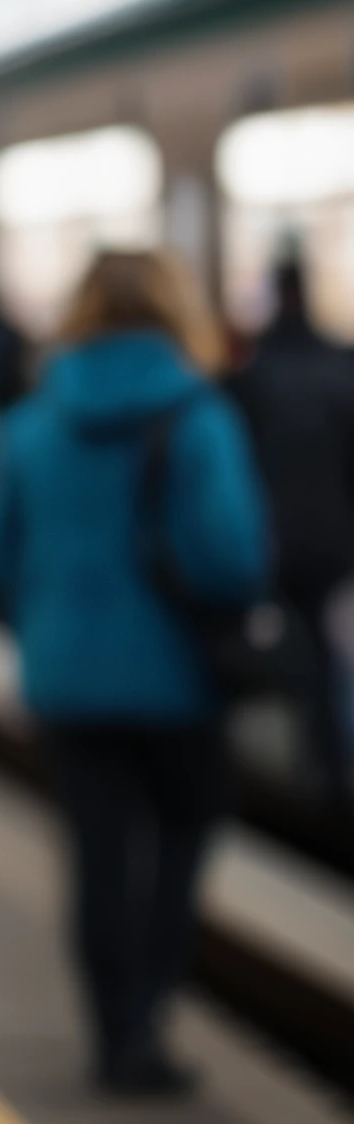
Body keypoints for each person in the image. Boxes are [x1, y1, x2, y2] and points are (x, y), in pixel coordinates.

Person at [0, 249, 267, 1094]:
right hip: (179, 680)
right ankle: (149, 1014)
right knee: (184, 838)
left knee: (98, 855)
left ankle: (111, 1034)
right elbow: (229, 560)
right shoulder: (200, 416)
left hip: (66, 676)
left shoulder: (31, 423)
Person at [228, 251, 354, 800]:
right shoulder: (340, 365)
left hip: (270, 538)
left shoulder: (253, 374)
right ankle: (328, 761)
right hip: (333, 540)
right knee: (329, 654)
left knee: (282, 646)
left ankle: (299, 765)